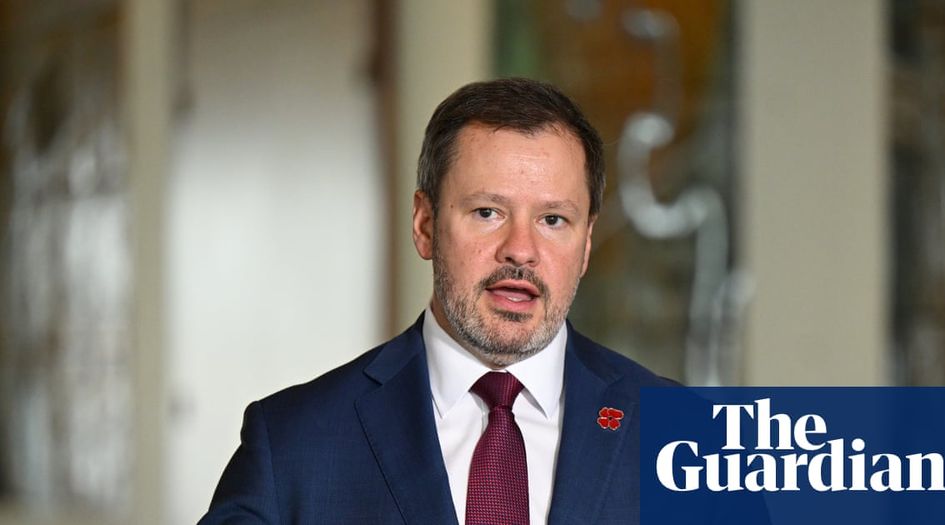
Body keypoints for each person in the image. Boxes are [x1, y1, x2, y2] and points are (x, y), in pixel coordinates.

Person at [199, 78, 677, 525]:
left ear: (586, 243)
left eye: (553, 220)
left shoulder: (684, 435)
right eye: (488, 212)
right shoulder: (291, 443)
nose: (521, 250)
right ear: (425, 225)